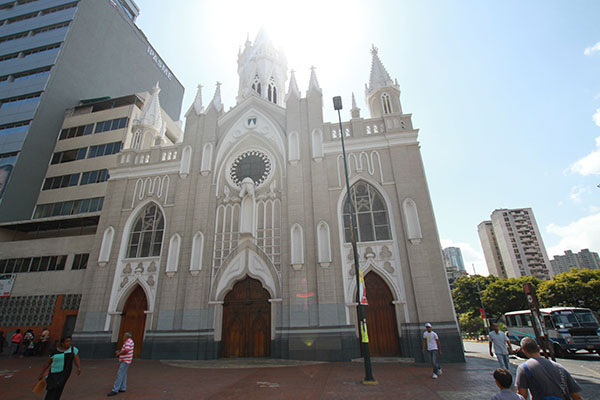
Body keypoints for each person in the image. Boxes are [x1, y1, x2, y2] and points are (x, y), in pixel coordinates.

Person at [515, 337, 583, 400]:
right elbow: (576, 396)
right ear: (539, 348)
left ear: (523, 350)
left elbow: (522, 395)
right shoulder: (559, 367)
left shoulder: (524, 368)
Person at [38, 336, 81, 400]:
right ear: (62, 343)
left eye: (70, 341)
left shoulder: (73, 350)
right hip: (53, 372)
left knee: (58, 387)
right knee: (51, 388)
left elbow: (76, 359)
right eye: (67, 341)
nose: (69, 343)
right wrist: (42, 373)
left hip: (64, 373)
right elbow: (48, 363)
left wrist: (78, 367)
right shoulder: (55, 351)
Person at [107, 332, 134, 397]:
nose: (123, 337)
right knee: (123, 374)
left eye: (124, 336)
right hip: (127, 360)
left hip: (125, 360)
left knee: (120, 374)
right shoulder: (130, 341)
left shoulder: (127, 342)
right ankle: (122, 388)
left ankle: (115, 389)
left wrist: (119, 354)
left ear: (126, 337)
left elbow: (126, 350)